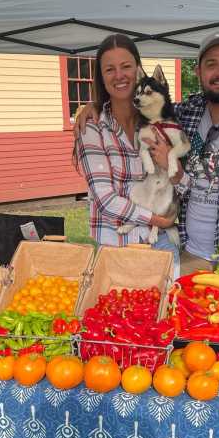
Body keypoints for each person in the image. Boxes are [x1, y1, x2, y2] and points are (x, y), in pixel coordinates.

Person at [76, 32, 219, 276]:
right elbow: (146, 103)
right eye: (211, 64)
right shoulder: (185, 113)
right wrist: (94, 106)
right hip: (188, 255)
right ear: (198, 71)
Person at [73, 34, 181, 278]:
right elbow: (104, 198)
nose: (119, 75)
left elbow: (182, 179)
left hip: (162, 243)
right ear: (101, 77)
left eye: (126, 66)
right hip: (117, 249)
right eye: (109, 69)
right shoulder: (92, 127)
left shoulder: (160, 120)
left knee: (169, 311)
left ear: (138, 70)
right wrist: (157, 219)